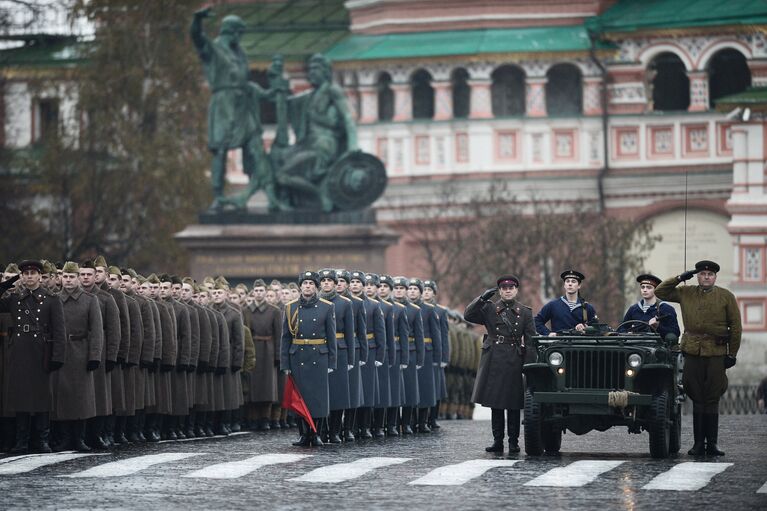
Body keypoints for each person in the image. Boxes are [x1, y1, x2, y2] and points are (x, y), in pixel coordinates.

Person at [655, 260, 742, 456]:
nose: (706, 277)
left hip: (716, 353)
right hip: (693, 353)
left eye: (710, 275)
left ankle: (712, 443)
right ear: (698, 276)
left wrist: (732, 354)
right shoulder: (686, 292)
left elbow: (736, 327)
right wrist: (679, 278)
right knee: (696, 395)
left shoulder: (726, 297)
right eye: (702, 274)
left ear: (715, 277)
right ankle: (697, 444)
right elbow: (660, 292)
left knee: (712, 397)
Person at [0, 260, 66, 453]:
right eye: (25, 273)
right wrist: (4, 285)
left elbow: (59, 331)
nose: (29, 276)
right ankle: (22, 440)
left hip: (41, 350)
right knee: (20, 397)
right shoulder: (14, 298)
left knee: (42, 397)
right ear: (21, 276)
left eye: (33, 273)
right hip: (19, 350)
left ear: (39, 276)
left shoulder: (51, 299)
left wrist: (58, 357)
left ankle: (42, 439)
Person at [465, 275, 536, 454]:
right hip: (494, 358)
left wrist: (528, 364)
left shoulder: (525, 312)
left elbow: (530, 340)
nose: (507, 290)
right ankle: (498, 441)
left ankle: (513, 441)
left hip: (514, 358)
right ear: (499, 291)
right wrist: (482, 299)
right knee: (495, 403)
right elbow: (468, 315)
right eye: (504, 288)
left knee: (513, 404)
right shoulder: (489, 308)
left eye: (511, 287)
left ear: (516, 290)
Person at [280, 271, 337, 447]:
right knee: (300, 397)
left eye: (311, 284)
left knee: (317, 398)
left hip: (318, 356)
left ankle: (316, 433)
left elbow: (331, 336)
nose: (308, 286)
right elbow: (285, 337)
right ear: (300, 286)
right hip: (298, 355)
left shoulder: (326, 307)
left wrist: (332, 361)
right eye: (305, 283)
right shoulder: (290, 308)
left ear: (316, 287)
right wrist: (285, 363)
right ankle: (303, 434)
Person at [52, 262, 103, 452]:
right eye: (65, 277)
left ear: (79, 279)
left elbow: (96, 331)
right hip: (61, 351)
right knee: (63, 397)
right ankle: (65, 438)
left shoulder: (90, 300)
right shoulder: (54, 299)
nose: (68, 280)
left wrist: (94, 356)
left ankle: (80, 438)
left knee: (82, 398)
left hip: (81, 351)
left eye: (72, 277)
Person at [318, 269, 355, 443]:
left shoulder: (345, 303)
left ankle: (334, 431)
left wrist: (351, 358)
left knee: (338, 394)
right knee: (320, 393)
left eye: (329, 280)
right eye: (323, 280)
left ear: (335, 283)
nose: (326, 283)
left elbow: (350, 333)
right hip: (318, 349)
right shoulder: (314, 302)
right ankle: (322, 430)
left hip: (339, 350)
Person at [242, 278, 282, 431]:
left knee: (267, 386)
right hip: (252, 349)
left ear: (266, 292)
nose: (259, 293)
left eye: (261, 290)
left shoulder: (274, 311)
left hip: (268, 350)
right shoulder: (246, 310)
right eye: (256, 290)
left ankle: (265, 418)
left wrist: (278, 356)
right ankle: (253, 418)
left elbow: (278, 335)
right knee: (252, 386)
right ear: (253, 292)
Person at [378, 275, 409, 436]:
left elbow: (403, 336)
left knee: (393, 391)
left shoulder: (396, 308)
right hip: (377, 352)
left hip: (393, 352)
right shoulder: (376, 306)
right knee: (381, 391)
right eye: (380, 286)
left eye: (385, 286)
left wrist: (403, 358)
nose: (382, 289)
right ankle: (379, 424)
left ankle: (392, 424)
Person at [535, 270, 598, 336]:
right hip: (558, 345)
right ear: (564, 285)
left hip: (580, 345)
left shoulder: (587, 307)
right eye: (567, 281)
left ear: (579, 286)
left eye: (573, 281)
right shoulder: (553, 305)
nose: (570, 284)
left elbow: (596, 329)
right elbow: (537, 321)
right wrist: (548, 333)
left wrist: (585, 327)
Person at [619, 274, 680, 339]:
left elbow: (675, 333)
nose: (645, 290)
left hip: (657, 347)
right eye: (642, 287)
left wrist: (658, 327)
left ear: (655, 290)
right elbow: (621, 328)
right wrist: (627, 333)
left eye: (649, 287)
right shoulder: (634, 309)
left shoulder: (666, 309)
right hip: (635, 346)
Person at [423, 280, 450, 430]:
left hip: (435, 352)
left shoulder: (440, 311)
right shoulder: (418, 309)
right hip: (423, 352)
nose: (426, 292)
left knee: (436, 387)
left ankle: (432, 417)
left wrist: (444, 357)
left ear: (434, 293)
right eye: (424, 290)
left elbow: (444, 336)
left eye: (429, 290)